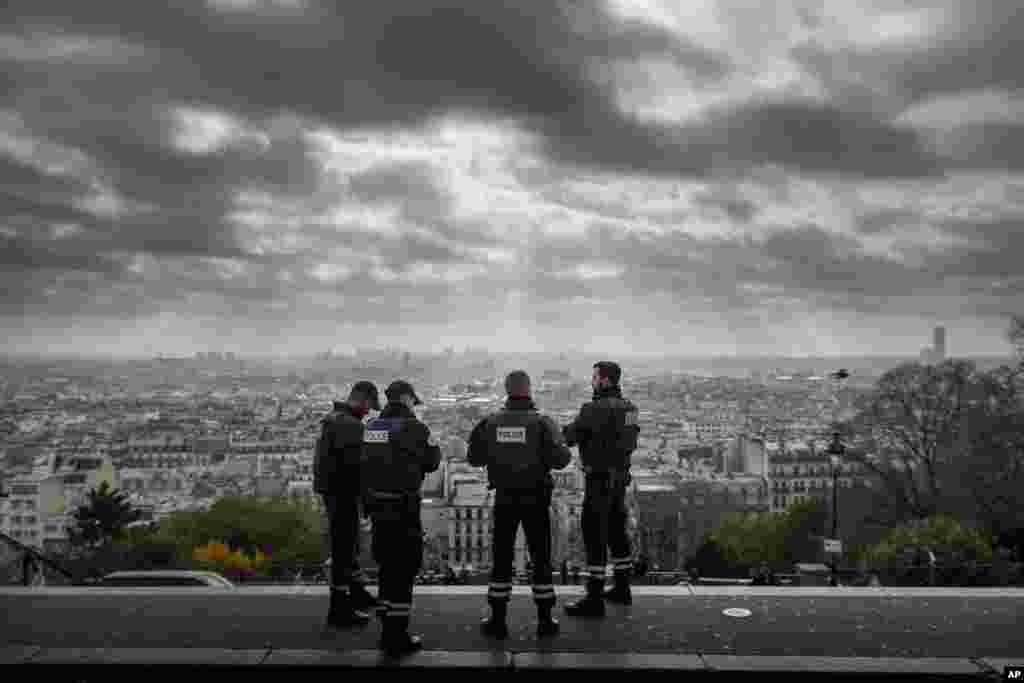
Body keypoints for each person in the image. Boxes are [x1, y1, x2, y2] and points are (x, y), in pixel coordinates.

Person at [467, 370, 572, 639]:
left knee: (501, 557)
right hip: (536, 497)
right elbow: (561, 460)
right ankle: (545, 620)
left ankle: (498, 620)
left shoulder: (491, 423)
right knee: (540, 557)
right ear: (529, 389)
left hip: (505, 497)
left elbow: (474, 457)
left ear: (506, 389)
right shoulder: (542, 423)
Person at [361, 380, 441, 657]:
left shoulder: (373, 428)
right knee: (404, 568)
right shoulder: (416, 428)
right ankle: (397, 635)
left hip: (378, 506)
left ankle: (386, 625)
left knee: (385, 566)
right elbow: (433, 461)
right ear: (407, 398)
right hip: (404, 506)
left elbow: (363, 464)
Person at [563, 361, 640, 617]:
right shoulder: (631, 409)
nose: (592, 381)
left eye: (595, 377)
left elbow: (570, 436)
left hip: (598, 481)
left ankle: (594, 598)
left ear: (605, 380)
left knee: (595, 537)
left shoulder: (591, 410)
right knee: (618, 533)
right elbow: (631, 441)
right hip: (620, 481)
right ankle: (622, 587)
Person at [313, 381, 381, 628]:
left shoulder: (334, 419)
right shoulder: (350, 426)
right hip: (343, 493)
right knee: (345, 549)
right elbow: (357, 469)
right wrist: (369, 501)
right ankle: (339, 608)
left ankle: (357, 594)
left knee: (348, 546)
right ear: (360, 400)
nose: (369, 412)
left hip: (333, 491)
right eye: (369, 406)